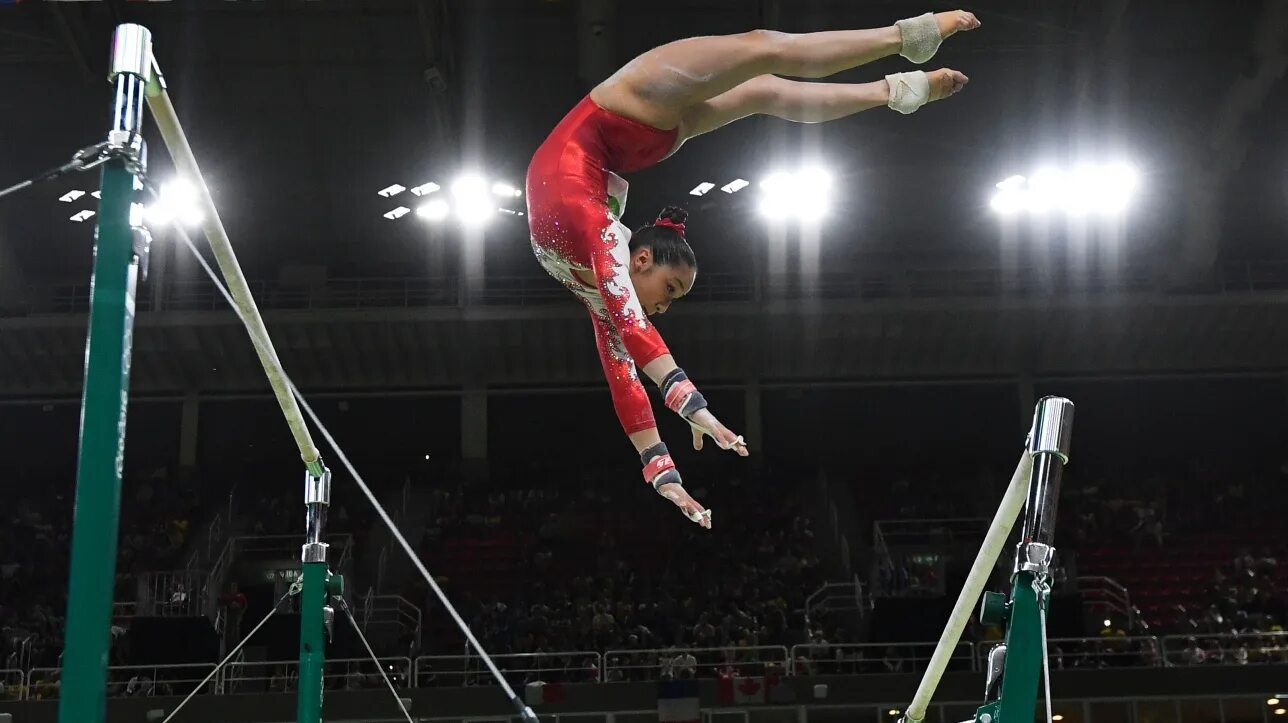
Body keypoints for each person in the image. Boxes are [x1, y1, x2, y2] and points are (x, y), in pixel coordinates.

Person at [526, 10, 980, 528]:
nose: (663, 305)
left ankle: (906, 38)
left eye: (669, 290)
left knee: (763, 48)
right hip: (634, 146)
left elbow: (634, 331)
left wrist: (684, 426)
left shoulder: (604, 237)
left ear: (644, 258)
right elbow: (624, 374)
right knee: (768, 92)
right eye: (671, 295)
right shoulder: (597, 282)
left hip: (620, 107)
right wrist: (666, 471)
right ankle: (896, 91)